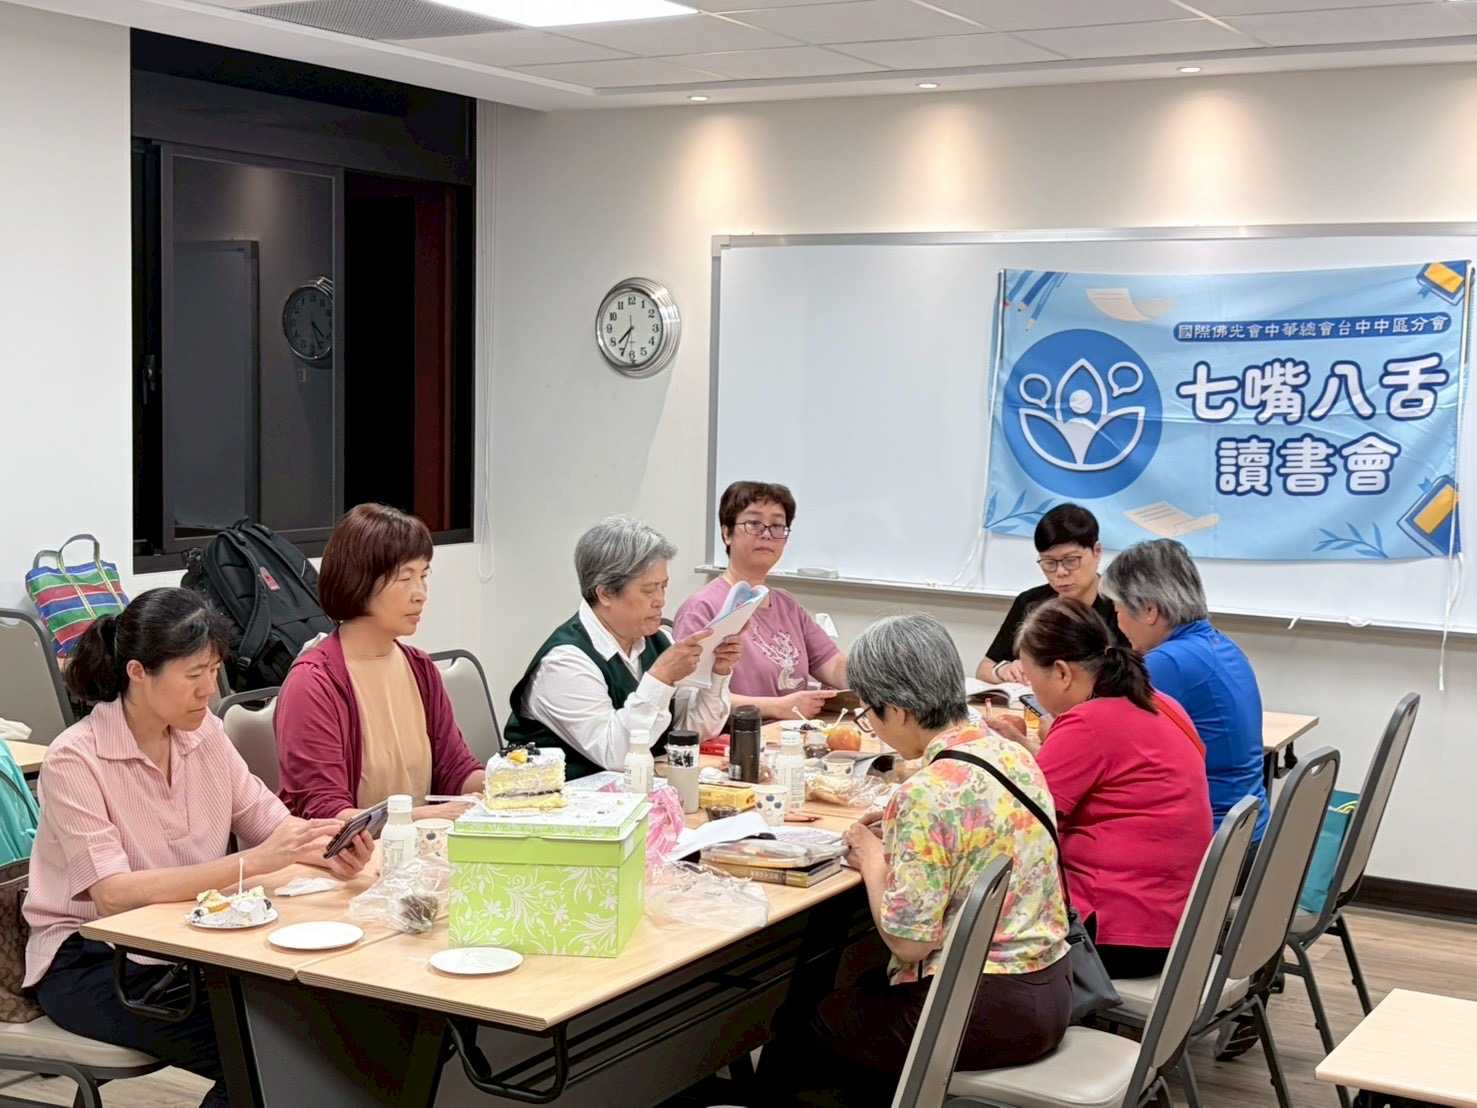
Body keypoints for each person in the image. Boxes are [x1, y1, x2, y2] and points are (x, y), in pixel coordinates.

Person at [24, 589, 373, 1108]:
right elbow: (113, 895)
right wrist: (250, 863)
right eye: (193, 674)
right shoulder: (75, 760)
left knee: (328, 1026)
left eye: (213, 670)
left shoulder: (205, 732)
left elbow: (269, 822)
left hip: (183, 948)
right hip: (92, 961)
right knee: (269, 1053)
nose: (209, 689)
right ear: (138, 673)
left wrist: (327, 846)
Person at [760, 614, 1071, 1107]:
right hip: (1051, 987)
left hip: (981, 1009)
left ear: (900, 710)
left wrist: (870, 857)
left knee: (805, 1025)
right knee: (858, 987)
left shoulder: (925, 793)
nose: (873, 727)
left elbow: (909, 942)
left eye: (870, 714)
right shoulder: (1010, 754)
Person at [999, 597, 1212, 980]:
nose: (1034, 692)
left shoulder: (1087, 724)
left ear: (1062, 673)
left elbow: (1020, 824)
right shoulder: (1162, 704)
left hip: (1117, 934)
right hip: (1180, 924)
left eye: (1031, 679)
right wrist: (1031, 750)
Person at [275, 503, 484, 822]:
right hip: (351, 852)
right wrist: (426, 816)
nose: (420, 593)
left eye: (423, 576)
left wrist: (512, 785)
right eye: (405, 578)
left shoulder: (420, 668)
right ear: (359, 581)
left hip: (421, 843)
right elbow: (327, 813)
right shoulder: (314, 683)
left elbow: (455, 771)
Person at [503, 516, 742, 779]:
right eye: (649, 590)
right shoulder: (564, 662)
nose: (661, 600)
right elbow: (617, 755)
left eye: (663, 586)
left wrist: (718, 673)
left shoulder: (658, 640)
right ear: (605, 593)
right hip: (561, 796)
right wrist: (660, 678)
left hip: (635, 792)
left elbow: (693, 730)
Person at [1100, 538, 1269, 844]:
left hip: (1213, 840)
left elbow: (1102, 748)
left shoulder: (1167, 663)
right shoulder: (1221, 645)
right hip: (1246, 829)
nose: (1118, 622)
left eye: (1118, 609)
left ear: (1149, 610)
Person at [675, 481, 846, 721]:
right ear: (726, 533)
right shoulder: (701, 608)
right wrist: (777, 707)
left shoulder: (787, 604)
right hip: (736, 737)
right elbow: (690, 699)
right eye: (754, 524)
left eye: (777, 526)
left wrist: (880, 676)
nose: (766, 534)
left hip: (792, 734)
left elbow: (833, 666)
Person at [976, 503, 1125, 684]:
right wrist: (1003, 670)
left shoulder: (1121, 608)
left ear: (1097, 552)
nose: (1060, 572)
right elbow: (985, 668)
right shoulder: (1030, 602)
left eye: (1071, 560)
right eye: (1049, 563)